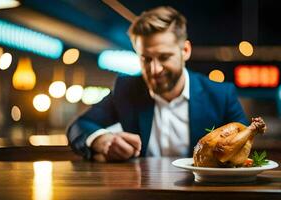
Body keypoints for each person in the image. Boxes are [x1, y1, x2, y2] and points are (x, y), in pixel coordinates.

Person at [67, 6, 248, 162]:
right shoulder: (126, 89)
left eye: (164, 57)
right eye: (146, 59)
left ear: (185, 50)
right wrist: (102, 140)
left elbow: (245, 146)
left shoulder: (220, 95)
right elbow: (79, 126)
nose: (154, 69)